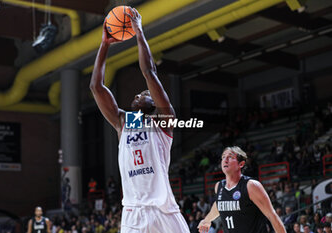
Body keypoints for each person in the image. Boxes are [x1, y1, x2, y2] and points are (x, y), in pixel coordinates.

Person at [90, 7, 189, 233]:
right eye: (136, 94)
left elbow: (149, 72)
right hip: (133, 212)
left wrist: (139, 32)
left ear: (153, 102)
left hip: (164, 210)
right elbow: (96, 87)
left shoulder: (163, 121)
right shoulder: (125, 121)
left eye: (143, 94)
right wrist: (104, 45)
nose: (136, 95)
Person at [198, 146, 286, 233]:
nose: (225, 159)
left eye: (230, 157)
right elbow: (219, 205)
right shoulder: (219, 186)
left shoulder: (251, 186)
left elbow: (272, 215)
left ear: (241, 164)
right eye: (223, 157)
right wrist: (207, 220)